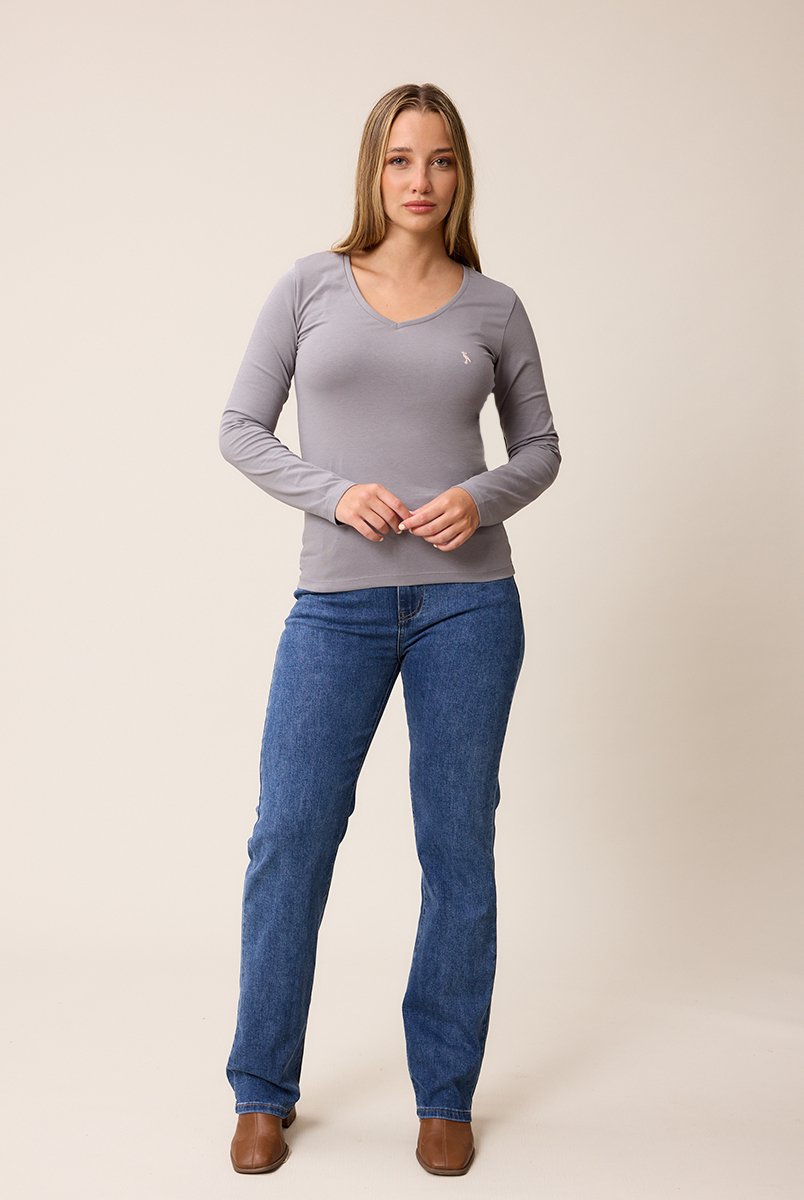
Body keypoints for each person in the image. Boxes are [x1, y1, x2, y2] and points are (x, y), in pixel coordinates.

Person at [219, 82, 562, 1176]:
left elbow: (541, 448)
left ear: (462, 175)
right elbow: (239, 427)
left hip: (469, 605)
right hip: (338, 608)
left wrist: (481, 497)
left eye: (442, 160)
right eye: (402, 159)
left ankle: (445, 1092)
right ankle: (262, 1089)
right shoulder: (310, 285)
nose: (422, 180)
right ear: (373, 169)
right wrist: (333, 494)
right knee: (290, 834)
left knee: (456, 844)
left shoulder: (494, 306)